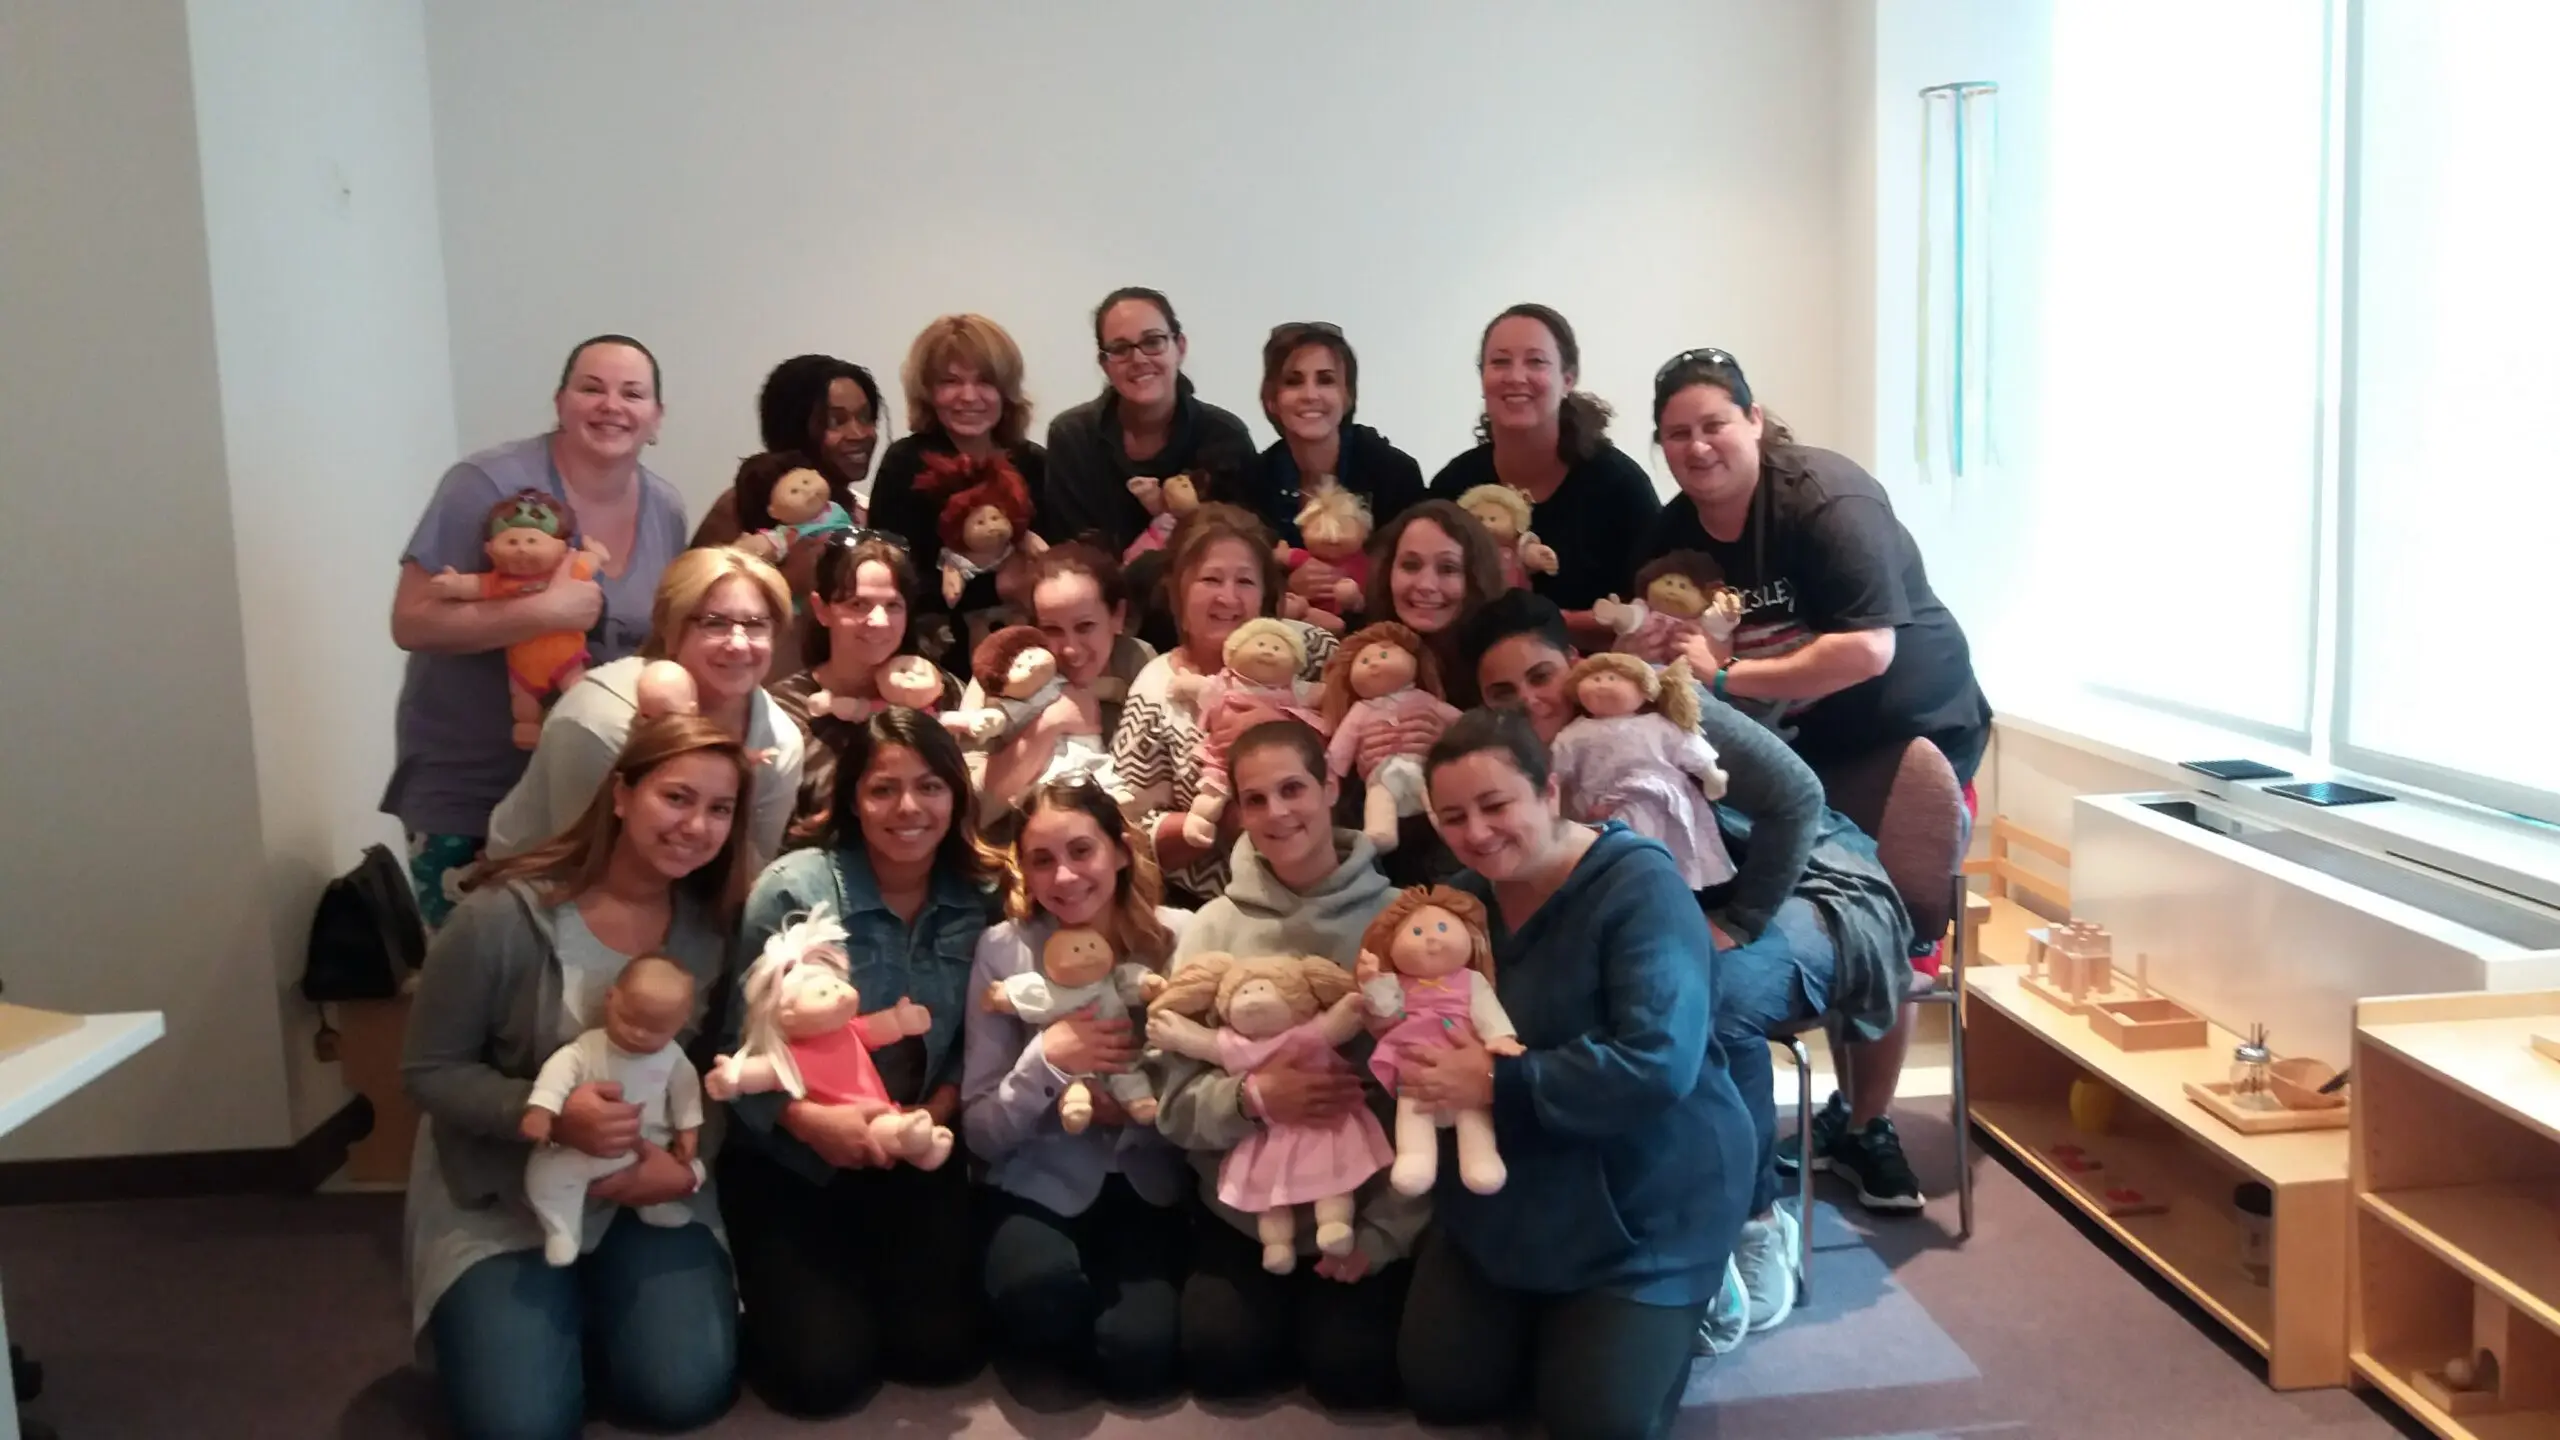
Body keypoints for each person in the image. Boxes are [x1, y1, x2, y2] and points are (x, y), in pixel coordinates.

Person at [1462, 589, 1920, 1350]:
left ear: (1576, 661)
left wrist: (1739, 920)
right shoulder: (1520, 762)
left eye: (1541, 676)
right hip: (1687, 903)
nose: (1530, 701)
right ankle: (1661, 1210)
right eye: (1502, 692)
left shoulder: (1661, 703)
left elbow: (1797, 797)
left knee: (1710, 997)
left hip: (1807, 883)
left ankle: (1754, 1220)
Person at [1396, 709, 1755, 1440]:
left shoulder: (1640, 886)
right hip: (1516, 1187)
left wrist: (1495, 1083)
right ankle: (1565, 1325)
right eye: (1454, 817)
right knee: (1444, 1387)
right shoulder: (1459, 907)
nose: (1477, 832)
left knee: (1596, 1422)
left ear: (1549, 792)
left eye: (1496, 805)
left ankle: (1696, 1292)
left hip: (1648, 1193)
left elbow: (1659, 1063)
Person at [402, 715, 757, 1439]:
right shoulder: (500, 919)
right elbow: (428, 1070)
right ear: (621, 795)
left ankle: (600, 1309)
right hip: (504, 1190)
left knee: (682, 1391)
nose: (697, 826)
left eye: (720, 809)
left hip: (647, 1183)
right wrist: (547, 1118)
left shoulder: (713, 932)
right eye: (677, 797)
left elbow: (721, 1076)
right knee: (519, 1426)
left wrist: (688, 1169)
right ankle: (535, 1317)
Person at [715, 707, 1002, 1415]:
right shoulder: (795, 890)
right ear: (851, 799)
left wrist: (937, 1112)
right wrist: (809, 1122)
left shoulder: (980, 897)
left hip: (916, 1144)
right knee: (824, 1376)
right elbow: (734, 1044)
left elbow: (979, 1039)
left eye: (930, 786)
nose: (909, 807)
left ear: (956, 796)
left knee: (943, 1354)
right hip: (791, 1155)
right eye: (883, 789)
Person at [1150, 720, 1421, 1409]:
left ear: (1331, 788)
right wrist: (1253, 1097)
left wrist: (1384, 1236)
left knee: (1353, 1375)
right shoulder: (1212, 927)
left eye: (1293, 788)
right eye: (1255, 798)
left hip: (1361, 1204)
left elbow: (1431, 1100)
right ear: (1238, 811)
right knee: (1222, 1360)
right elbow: (1173, 1104)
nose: (1277, 813)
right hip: (1248, 1208)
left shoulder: (1401, 922)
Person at [386, 334, 689, 927]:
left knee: (582, 974)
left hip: (599, 794)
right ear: (559, 402)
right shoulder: (484, 483)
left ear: (656, 418)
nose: (611, 405)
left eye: (632, 394)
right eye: (591, 388)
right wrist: (544, 613)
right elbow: (412, 620)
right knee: (483, 970)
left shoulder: (667, 509)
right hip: (473, 790)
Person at [1636, 347, 1992, 788]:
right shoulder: (1671, 532)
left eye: (1714, 425)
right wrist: (1641, 645)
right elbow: (1657, 638)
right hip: (1797, 739)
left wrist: (1727, 676)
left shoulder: (1830, 500)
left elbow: (1867, 651)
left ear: (1754, 420)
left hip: (1909, 728)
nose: (1698, 447)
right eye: (1678, 434)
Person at [963, 779, 1193, 1402]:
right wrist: (1046, 1061)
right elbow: (981, 1131)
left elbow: (1209, 1092)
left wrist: (1137, 1111)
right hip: (1036, 1179)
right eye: (1042, 860)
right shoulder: (1004, 952)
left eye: (1081, 851)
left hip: (1149, 1184)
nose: (1064, 877)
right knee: (1041, 1305)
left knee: (1139, 1358)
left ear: (1119, 850)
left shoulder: (1178, 938)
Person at [486, 548, 805, 867]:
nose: (738, 643)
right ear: (671, 630)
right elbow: (580, 866)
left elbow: (751, 870)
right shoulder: (599, 721)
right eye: (715, 623)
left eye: (755, 624)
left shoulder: (779, 742)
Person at [1111, 504, 1339, 905]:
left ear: (1266, 594)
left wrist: (1282, 729)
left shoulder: (1312, 650)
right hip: (1216, 904)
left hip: (1329, 885)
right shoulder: (1157, 688)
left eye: (1245, 581)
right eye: (1211, 579)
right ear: (1178, 591)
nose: (1228, 597)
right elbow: (1133, 831)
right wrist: (1218, 818)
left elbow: (1367, 733)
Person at [1425, 304, 1660, 626]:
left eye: (1536, 361)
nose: (1515, 377)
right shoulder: (1454, 485)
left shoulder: (1620, 486)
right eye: (1500, 362)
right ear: (1482, 378)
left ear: (1568, 379)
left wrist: (1536, 624)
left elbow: (1655, 613)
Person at [766, 534, 962, 843]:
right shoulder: (785, 709)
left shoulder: (941, 690)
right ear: (822, 609)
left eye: (893, 605)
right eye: (858, 604)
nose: (878, 621)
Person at [1043, 287, 1257, 554]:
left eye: (1153, 342)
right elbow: (1070, 551)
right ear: (1104, 364)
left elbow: (1246, 546)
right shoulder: (1072, 437)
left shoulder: (1226, 436)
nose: (1138, 358)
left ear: (1180, 347)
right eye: (1120, 348)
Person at [970, 542, 1158, 821]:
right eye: (1052, 630)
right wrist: (1051, 723)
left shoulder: (1137, 661)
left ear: (1117, 616)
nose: (1070, 649)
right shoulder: (1002, 674)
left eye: (1085, 626)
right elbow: (973, 809)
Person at [866, 315, 1050, 585]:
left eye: (985, 381)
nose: (969, 396)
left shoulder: (1034, 463)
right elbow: (892, 577)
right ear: (928, 391)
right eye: (950, 381)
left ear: (1006, 391)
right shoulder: (903, 464)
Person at [1244, 322, 1427, 558]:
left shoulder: (1395, 474)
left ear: (1347, 396)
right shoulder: (1250, 484)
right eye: (1293, 381)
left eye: (1326, 380)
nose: (1310, 395)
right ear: (1272, 399)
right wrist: (1287, 576)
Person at [694, 354, 884, 546]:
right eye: (835, 421)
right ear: (793, 427)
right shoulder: (742, 504)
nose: (858, 434)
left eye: (865, 417)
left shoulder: (864, 514)